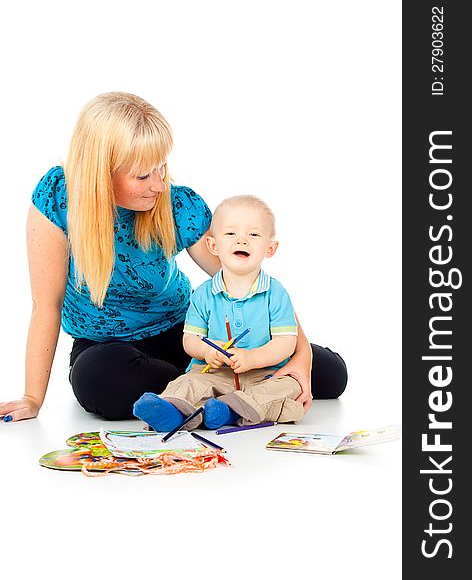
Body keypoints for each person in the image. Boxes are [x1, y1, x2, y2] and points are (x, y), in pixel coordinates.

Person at [0, 91, 347, 424]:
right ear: (101, 173)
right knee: (100, 381)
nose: (159, 184)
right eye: (143, 175)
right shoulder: (58, 199)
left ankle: (208, 392)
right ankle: (229, 391)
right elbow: (46, 305)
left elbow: (252, 282)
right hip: (107, 349)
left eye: (161, 167)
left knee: (330, 376)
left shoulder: (178, 205)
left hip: (187, 334)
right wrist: (32, 398)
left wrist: (301, 355)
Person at [133, 195, 305, 431]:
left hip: (264, 374)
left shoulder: (276, 293)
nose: (242, 240)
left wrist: (253, 358)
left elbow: (286, 343)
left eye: (253, 234)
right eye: (231, 234)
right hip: (214, 372)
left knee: (287, 387)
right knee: (188, 382)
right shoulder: (203, 294)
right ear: (213, 246)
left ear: (270, 248)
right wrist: (207, 350)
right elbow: (190, 339)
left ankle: (230, 412)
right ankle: (171, 413)